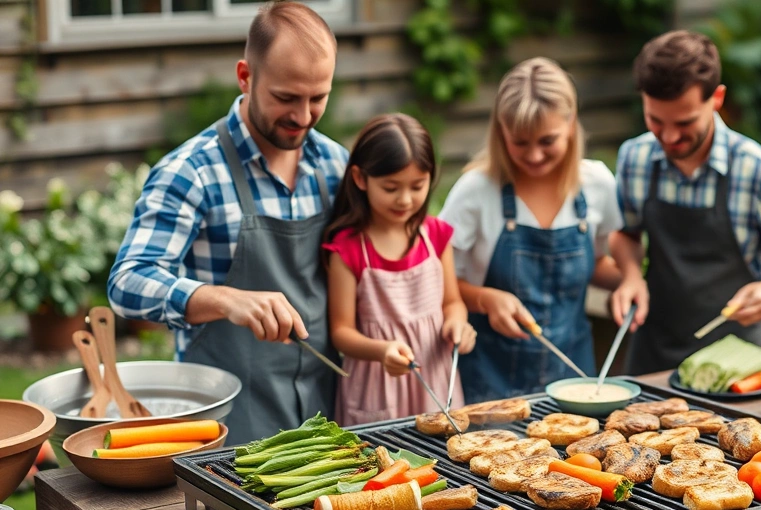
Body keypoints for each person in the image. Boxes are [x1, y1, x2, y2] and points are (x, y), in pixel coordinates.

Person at [107, 2, 348, 443]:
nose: (303, 116)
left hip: (326, 417)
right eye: (286, 97)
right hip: (226, 425)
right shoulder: (191, 172)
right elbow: (128, 282)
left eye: (319, 98)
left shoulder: (335, 164)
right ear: (245, 76)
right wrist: (223, 299)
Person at [609, 30, 761, 375]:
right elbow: (626, 234)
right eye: (655, 121)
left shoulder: (760, 171)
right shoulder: (635, 158)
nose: (670, 137)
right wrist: (631, 275)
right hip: (652, 357)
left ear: (717, 98)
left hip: (734, 364)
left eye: (685, 122)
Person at [439, 57, 625, 403]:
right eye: (520, 142)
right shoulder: (476, 190)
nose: (535, 155)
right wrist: (486, 299)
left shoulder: (596, 183)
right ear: (501, 131)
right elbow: (434, 277)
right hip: (490, 382)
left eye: (547, 140)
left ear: (571, 125)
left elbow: (597, 264)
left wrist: (631, 280)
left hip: (574, 379)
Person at [323, 114, 476, 426]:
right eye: (391, 187)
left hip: (436, 378)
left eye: (417, 186)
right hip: (377, 386)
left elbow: (452, 302)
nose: (405, 199)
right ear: (361, 179)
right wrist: (382, 350)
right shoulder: (348, 248)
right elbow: (341, 332)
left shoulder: (436, 235)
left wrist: (458, 323)